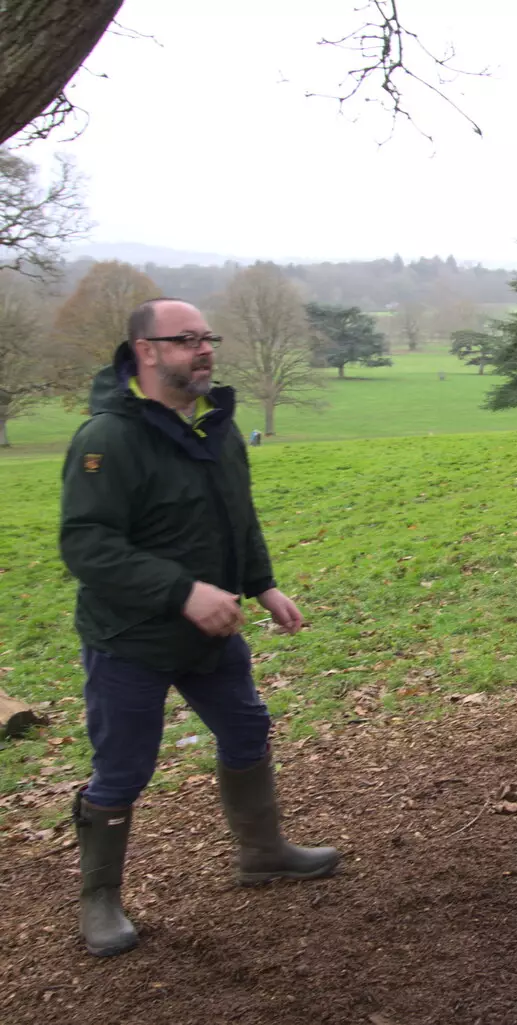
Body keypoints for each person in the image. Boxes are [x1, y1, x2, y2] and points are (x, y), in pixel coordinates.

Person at [58, 298, 339, 958]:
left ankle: (262, 851)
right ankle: (98, 899)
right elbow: (87, 545)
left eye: (206, 337)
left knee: (246, 727)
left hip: (210, 634)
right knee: (123, 768)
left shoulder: (218, 429)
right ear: (147, 351)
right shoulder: (108, 437)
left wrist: (262, 584)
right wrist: (181, 591)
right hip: (129, 638)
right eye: (186, 339)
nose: (204, 348)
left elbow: (237, 516)